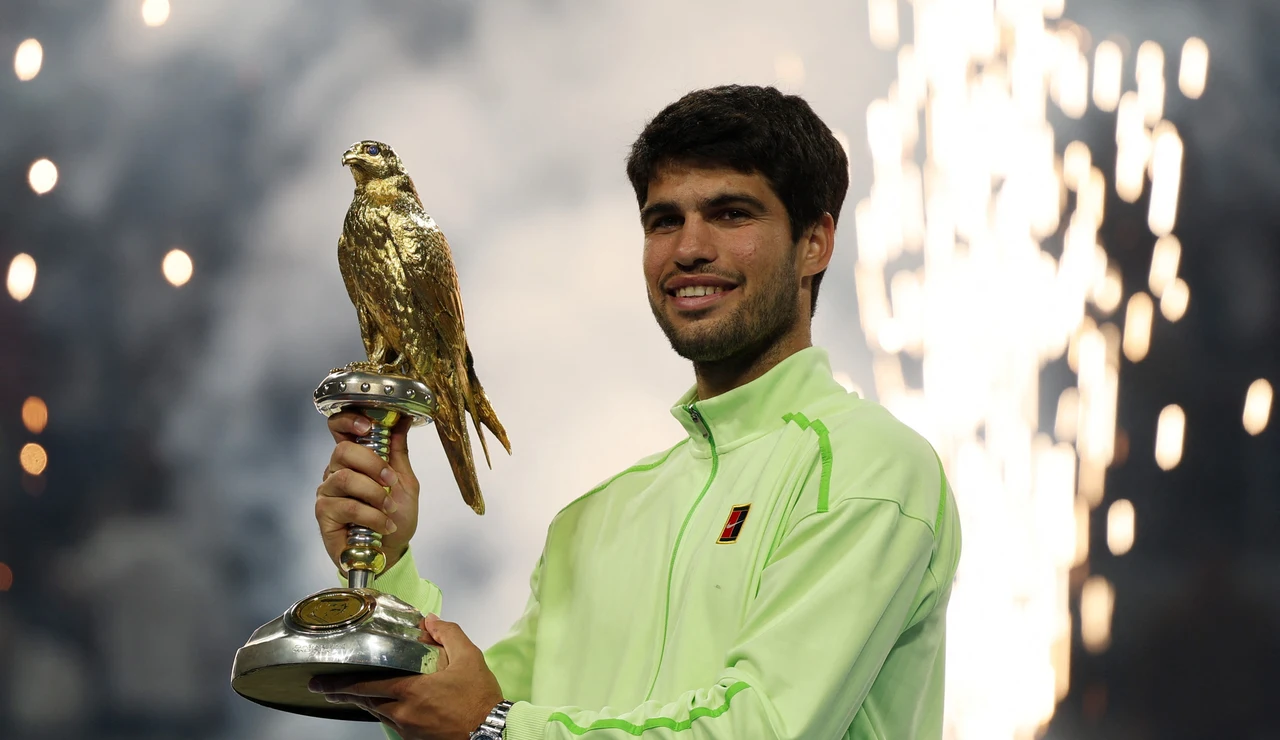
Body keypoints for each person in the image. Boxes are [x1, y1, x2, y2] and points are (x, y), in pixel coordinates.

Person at [309, 85, 962, 740]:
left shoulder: (867, 469)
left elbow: (759, 728)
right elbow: (457, 717)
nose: (689, 249)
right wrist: (386, 564)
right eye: (664, 221)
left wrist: (495, 728)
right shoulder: (592, 523)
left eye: (731, 214)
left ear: (814, 242)